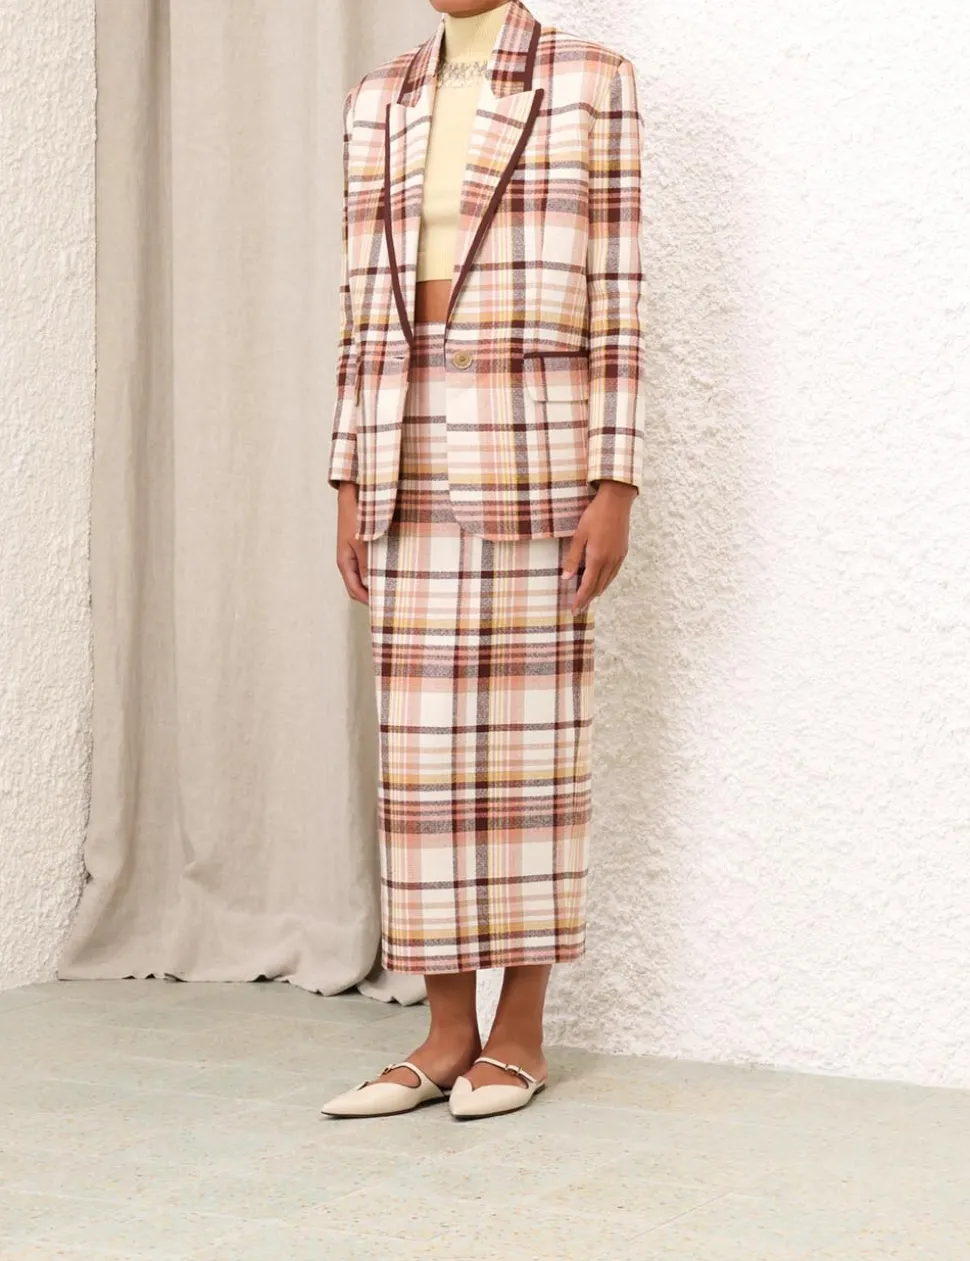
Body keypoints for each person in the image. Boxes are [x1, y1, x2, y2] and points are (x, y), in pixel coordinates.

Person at [323, 0, 645, 1120]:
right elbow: (361, 307)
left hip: (537, 452)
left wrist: (615, 478)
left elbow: (618, 294)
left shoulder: (592, 79)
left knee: (529, 751)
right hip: (402, 442)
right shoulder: (377, 98)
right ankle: (444, 1031)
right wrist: (348, 472)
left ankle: (520, 1034)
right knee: (419, 762)